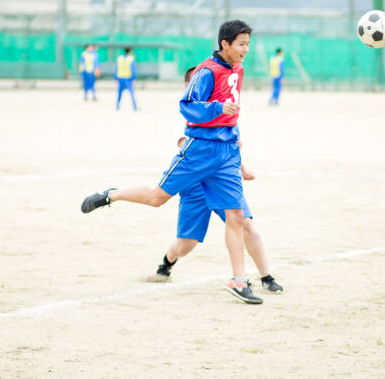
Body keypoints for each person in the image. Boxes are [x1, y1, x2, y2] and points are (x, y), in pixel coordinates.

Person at [80, 20, 261, 304]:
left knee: (236, 216)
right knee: (156, 198)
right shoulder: (206, 71)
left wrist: (237, 150)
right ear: (224, 43)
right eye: (241, 44)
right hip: (200, 150)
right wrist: (216, 108)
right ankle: (111, 195)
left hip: (226, 153)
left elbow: (232, 112)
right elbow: (187, 105)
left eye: (248, 44)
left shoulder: (237, 69)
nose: (245, 49)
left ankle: (238, 280)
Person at [150, 67, 283, 296]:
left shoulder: (223, 111)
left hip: (222, 179)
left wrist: (242, 168)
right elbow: (188, 149)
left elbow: (229, 147)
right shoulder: (183, 116)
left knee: (245, 224)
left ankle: (266, 276)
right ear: (188, 88)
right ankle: (168, 261)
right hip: (195, 184)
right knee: (185, 244)